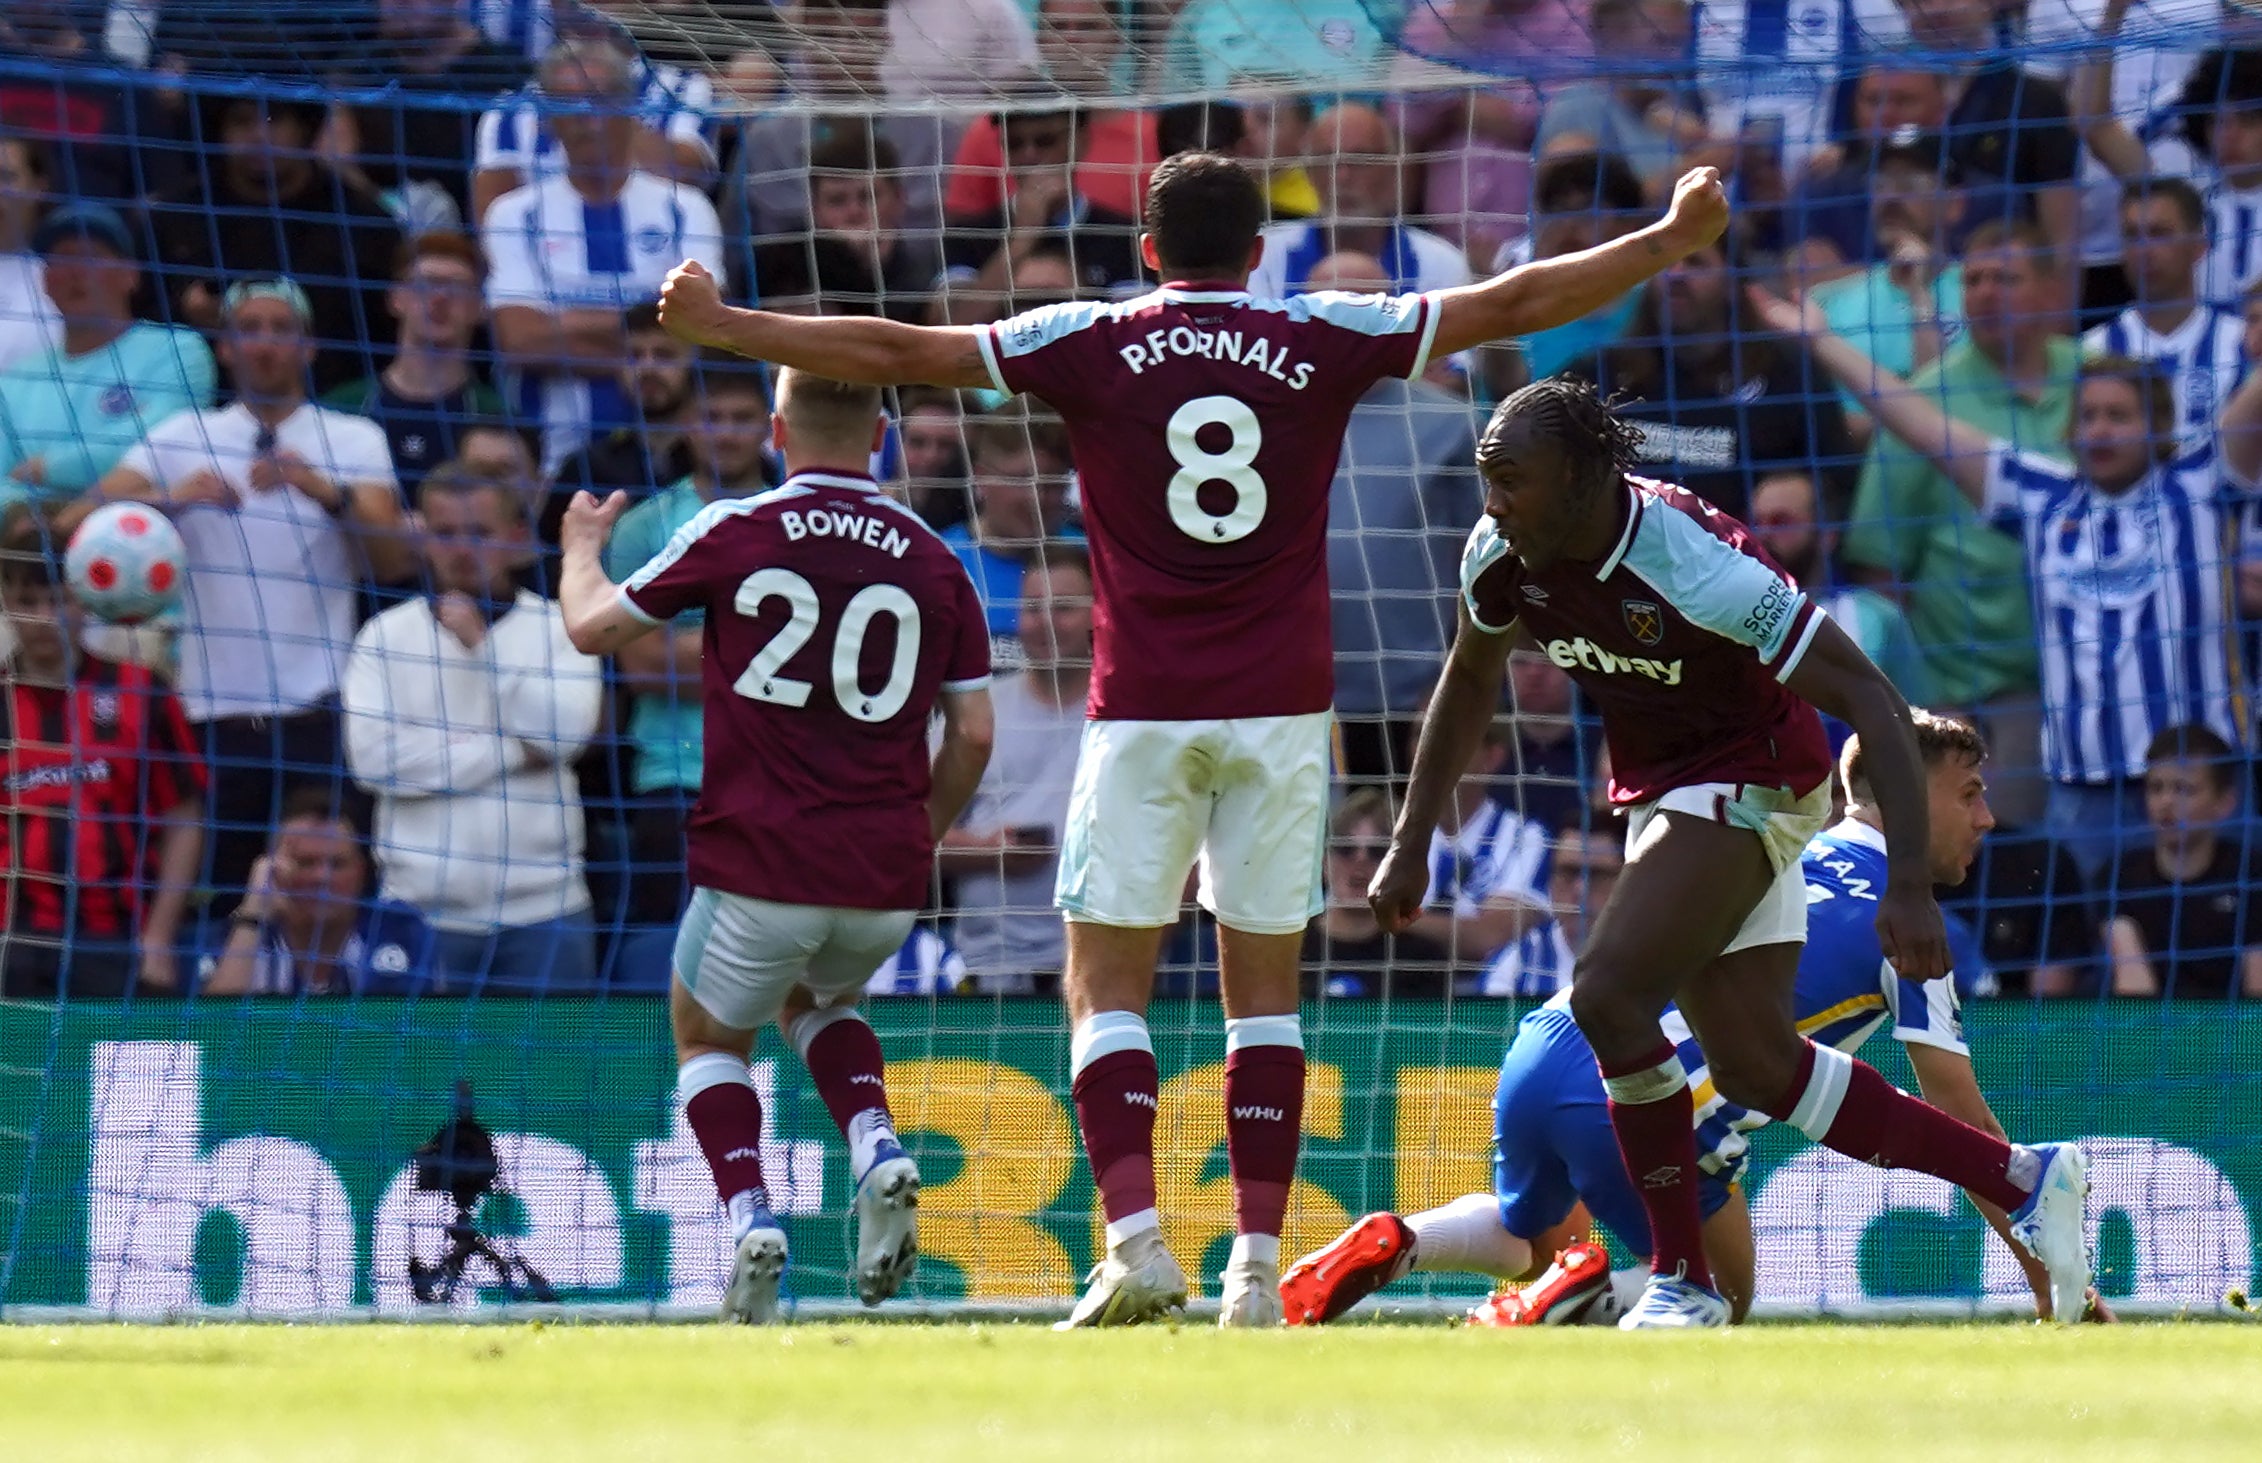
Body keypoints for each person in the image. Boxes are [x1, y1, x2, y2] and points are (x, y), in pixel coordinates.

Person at [656, 148, 1738, 1328]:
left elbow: (897, 352)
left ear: (1150, 250)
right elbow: (1515, 301)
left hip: (1141, 706)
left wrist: (728, 325)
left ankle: (1134, 1243)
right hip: (1284, 715)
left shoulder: (1090, 333)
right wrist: (1666, 242)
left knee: (1104, 980)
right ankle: (1256, 1273)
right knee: (1262, 997)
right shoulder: (1326, 330)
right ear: (1259, 253)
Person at [1365, 376, 2093, 1328]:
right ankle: (2024, 1177)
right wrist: (1413, 840)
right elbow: (1467, 681)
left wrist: (1908, 885)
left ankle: (1683, 1281)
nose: (1493, 501)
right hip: (1666, 786)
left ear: (1586, 478)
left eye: (1514, 480)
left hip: (1761, 777)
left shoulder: (1693, 557)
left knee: (1606, 995)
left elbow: (1871, 696)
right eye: (1487, 479)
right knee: (1756, 1064)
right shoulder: (1502, 552)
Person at [1289, 713, 2082, 1327]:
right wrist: (2047, 1271)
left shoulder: (1779, 850)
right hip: (1651, 1088)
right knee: (1723, 1293)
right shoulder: (1904, 923)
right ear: (1911, 794)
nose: (1987, 818)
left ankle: (1404, 1240)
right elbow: (1961, 1116)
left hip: (1549, 1037)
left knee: (1529, 1238)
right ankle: (1593, 1285)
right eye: (1970, 793)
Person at [556, 368, 996, 1324]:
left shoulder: (735, 529)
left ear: (775, 430)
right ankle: (875, 1140)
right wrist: (917, 834)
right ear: (881, 433)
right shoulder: (937, 559)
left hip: (760, 860)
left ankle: (751, 1213)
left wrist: (580, 545)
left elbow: (593, 628)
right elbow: (974, 737)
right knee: (820, 994)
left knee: (707, 1032)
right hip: (881, 879)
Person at [1762, 286, 2262, 880]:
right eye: (2090, 416)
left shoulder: (2203, 482)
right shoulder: (2043, 496)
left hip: (2204, 787)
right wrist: (1822, 340)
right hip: (2083, 792)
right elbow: (1922, 423)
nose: (2100, 431)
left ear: (2158, 428)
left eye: (2119, 416)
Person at [70, 279, 412, 909]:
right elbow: (76, 522)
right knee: (226, 901)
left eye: (281, 329)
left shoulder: (353, 438)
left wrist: (323, 489)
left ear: (309, 347)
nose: (265, 344)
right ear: (225, 347)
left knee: (322, 899)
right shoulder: (184, 435)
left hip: (318, 714)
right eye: (249, 329)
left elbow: (392, 560)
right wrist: (169, 500)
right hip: (211, 716)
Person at [1836, 220, 2080, 828]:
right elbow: (1878, 566)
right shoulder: (1926, 400)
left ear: (2052, 291)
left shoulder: (2095, 378)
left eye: (2008, 278)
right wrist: (1925, 693)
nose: (1988, 292)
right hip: (1967, 696)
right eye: (1974, 279)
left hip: (2084, 687)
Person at [343, 464, 605, 991]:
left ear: (515, 537)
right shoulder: (383, 636)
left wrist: (482, 649)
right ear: (423, 537)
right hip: (419, 914)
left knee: (552, 1076)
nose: (462, 549)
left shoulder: (560, 627)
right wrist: (514, 751)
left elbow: (564, 737)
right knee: (415, 1077)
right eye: (445, 533)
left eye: (480, 533)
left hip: (546, 913)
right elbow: (373, 763)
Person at [482, 35, 727, 472]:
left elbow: (707, 329)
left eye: (598, 100)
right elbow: (519, 341)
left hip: (672, 455)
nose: (584, 118)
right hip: (548, 457)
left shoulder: (684, 208)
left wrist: (566, 321)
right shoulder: (515, 213)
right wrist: (651, 337)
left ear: (630, 109)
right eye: (566, 103)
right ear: (547, 119)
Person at [0, 515, 204, 997]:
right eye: (29, 603)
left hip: (119, 938)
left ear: (86, 598)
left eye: (59, 600)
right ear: (6, 603)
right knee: (19, 1075)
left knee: (138, 1074)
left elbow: (185, 816)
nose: (47, 618)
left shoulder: (142, 690)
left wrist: (159, 936)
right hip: (11, 939)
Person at [603, 366, 776, 924]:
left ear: (770, 427)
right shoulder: (641, 528)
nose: (725, 433)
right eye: (710, 418)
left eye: (741, 418)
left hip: (778, 773)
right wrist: (769, 637)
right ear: (684, 426)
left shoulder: (799, 521)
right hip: (672, 776)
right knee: (671, 957)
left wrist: (690, 640)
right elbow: (648, 666)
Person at [145, 95, 401, 394]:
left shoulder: (362, 219)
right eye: (242, 121)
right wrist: (185, 312)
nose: (259, 135)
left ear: (303, 127)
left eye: (273, 119)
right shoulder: (178, 215)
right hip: (204, 404)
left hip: (337, 404)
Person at [936, 546, 1090, 995]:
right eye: (1032, 609)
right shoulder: (975, 714)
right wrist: (989, 850)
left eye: (1063, 609)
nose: (1044, 623)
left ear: (1099, 616)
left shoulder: (1129, 717)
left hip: (1104, 974)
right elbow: (904, 836)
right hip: (989, 975)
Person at [0, 203, 215, 516]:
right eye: (61, 259)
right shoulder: (12, 382)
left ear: (130, 275)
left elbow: (161, 445)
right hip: (26, 545)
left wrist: (46, 468)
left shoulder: (178, 349)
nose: (75, 272)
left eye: (90, 257)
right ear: (45, 283)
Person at [321, 232, 509, 501]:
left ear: (479, 307)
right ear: (395, 298)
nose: (439, 298)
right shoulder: (340, 408)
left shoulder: (496, 417)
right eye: (426, 284)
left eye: (457, 287)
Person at [196, 791, 441, 997]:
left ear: (360, 872)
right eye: (305, 863)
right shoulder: (238, 936)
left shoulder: (401, 929)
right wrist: (253, 915)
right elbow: (215, 1035)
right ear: (271, 870)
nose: (321, 877)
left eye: (336, 864)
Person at [1246, 105, 1475, 300]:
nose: (1343, 177)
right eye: (1328, 162)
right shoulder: (1265, 256)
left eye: (1360, 160)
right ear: (1308, 172)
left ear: (1391, 169)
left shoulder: (1440, 263)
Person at [2083, 179, 2245, 449]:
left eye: (2160, 234)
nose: (2144, 250)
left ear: (2199, 244)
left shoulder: (2242, 343)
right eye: (2132, 235)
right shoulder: (2092, 350)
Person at [2104, 724, 2262, 999]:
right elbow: (2135, 995)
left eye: (2184, 790)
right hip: (2151, 1033)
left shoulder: (2253, 874)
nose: (2166, 802)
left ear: (2224, 803)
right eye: (2156, 788)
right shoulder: (2118, 877)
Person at [939, 405, 1077, 665]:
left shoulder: (1090, 560)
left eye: (1051, 483)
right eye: (1021, 480)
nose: (1036, 498)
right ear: (980, 477)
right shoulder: (941, 560)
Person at [1303, 787, 1452, 1000]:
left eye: (1377, 851)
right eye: (1346, 849)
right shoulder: (1292, 948)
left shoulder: (1422, 960)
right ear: (1324, 861)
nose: (1360, 860)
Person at [1476, 818, 1624, 999]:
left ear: (1625, 881)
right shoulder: (1514, 965)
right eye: (1568, 872)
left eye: (1597, 874)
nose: (1581, 889)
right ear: (1551, 881)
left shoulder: (1653, 960)